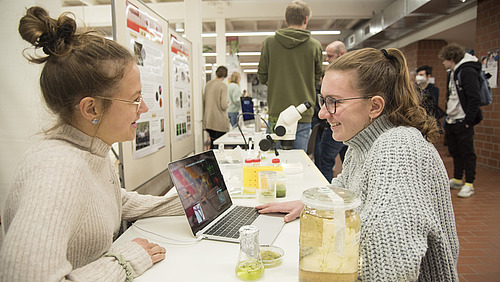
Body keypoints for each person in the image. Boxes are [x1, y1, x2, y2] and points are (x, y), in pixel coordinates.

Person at [0, 7, 184, 281]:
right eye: (134, 99)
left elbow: (113, 201)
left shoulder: (89, 152)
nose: (143, 107)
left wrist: (192, 201)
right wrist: (125, 262)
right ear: (92, 109)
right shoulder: (57, 170)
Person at [257, 48, 459, 280]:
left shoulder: (398, 146)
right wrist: (312, 203)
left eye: (334, 102)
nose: (322, 113)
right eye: (323, 100)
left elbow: (387, 270)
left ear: (375, 106)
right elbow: (344, 190)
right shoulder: (360, 144)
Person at [257, 0, 323, 151]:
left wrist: (275, 81)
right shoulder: (315, 46)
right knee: (299, 162)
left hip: (276, 113)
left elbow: (261, 76)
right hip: (303, 112)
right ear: (306, 19)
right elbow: (317, 78)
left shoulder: (269, 43)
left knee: (273, 160)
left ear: (286, 20)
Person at [438, 43, 483, 198]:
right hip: (451, 119)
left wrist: (468, 121)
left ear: (451, 58)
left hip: (463, 120)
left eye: (444, 60)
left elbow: (474, 97)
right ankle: (457, 179)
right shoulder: (453, 72)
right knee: (455, 152)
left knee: (467, 152)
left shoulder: (467, 71)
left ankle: (469, 183)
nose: (443, 63)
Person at [312, 41, 348, 182]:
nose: (327, 59)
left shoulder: (344, 76)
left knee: (324, 161)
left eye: (330, 56)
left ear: (342, 54)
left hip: (336, 125)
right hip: (338, 126)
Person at [203, 66, 230, 149]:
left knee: (212, 143)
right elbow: (223, 105)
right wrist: (228, 104)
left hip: (209, 120)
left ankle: (211, 161)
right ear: (225, 75)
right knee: (219, 146)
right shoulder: (223, 86)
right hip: (219, 121)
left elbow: (204, 101)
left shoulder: (208, 84)